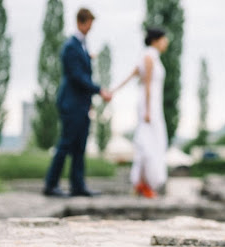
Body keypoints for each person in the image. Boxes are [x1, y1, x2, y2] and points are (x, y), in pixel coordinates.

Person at [43, 8, 112, 197]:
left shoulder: (81, 46)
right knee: (65, 144)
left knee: (80, 146)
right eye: (90, 22)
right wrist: (99, 90)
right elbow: (77, 77)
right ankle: (50, 185)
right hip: (71, 104)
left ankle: (77, 185)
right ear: (83, 22)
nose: (91, 27)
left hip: (81, 105)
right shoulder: (71, 47)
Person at [113, 28, 169, 199]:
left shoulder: (149, 57)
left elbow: (130, 76)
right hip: (149, 106)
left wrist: (112, 91)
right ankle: (144, 183)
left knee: (151, 143)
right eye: (164, 39)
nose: (166, 43)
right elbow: (146, 85)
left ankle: (142, 182)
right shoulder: (149, 57)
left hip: (152, 105)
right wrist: (148, 110)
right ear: (156, 40)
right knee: (149, 144)